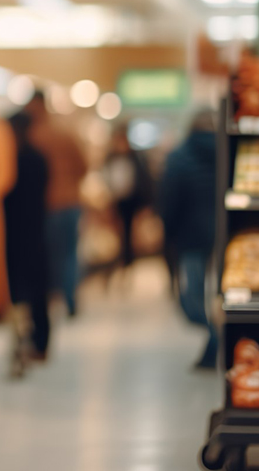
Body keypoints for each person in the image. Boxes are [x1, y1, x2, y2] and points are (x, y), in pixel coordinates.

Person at [158, 109, 218, 369]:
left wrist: (169, 233)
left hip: (190, 236)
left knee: (191, 299)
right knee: (220, 293)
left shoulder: (178, 156)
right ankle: (216, 338)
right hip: (225, 235)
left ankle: (216, 334)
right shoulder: (228, 152)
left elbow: (168, 199)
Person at [26, 91, 87, 316]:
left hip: (46, 205)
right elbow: (83, 165)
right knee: (70, 254)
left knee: (49, 255)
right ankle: (70, 298)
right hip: (71, 203)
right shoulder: (64, 131)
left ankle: (52, 299)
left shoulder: (32, 135)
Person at [3, 112, 51, 362]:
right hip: (36, 230)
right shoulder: (38, 158)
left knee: (19, 292)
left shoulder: (10, 159)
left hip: (13, 234)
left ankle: (21, 342)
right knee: (37, 290)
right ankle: (40, 343)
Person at [104, 122, 154, 274]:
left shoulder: (135, 157)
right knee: (120, 232)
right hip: (116, 200)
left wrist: (146, 203)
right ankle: (124, 260)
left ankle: (128, 260)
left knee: (130, 232)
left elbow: (144, 179)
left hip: (133, 199)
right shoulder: (110, 157)